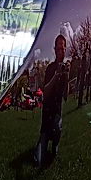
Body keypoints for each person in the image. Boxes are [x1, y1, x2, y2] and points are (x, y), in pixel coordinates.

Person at [34, 34, 68, 167]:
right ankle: (42, 141)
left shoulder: (65, 68)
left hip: (57, 110)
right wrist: (56, 75)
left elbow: (66, 95)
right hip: (48, 111)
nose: (61, 51)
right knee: (39, 159)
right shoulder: (50, 68)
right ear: (55, 50)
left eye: (63, 48)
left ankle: (55, 145)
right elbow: (46, 91)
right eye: (59, 48)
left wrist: (67, 75)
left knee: (57, 129)